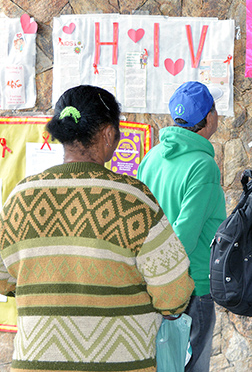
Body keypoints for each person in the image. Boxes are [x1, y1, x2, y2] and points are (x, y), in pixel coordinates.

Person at [0, 85, 194, 372]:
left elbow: (4, 278)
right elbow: (175, 292)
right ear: (106, 134)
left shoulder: (20, 197)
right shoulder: (134, 199)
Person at [138, 81, 226, 372]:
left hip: (154, 284)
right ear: (210, 118)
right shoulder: (203, 165)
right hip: (191, 286)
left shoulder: (151, 158)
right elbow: (184, 234)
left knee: (163, 364)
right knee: (191, 365)